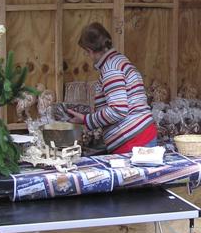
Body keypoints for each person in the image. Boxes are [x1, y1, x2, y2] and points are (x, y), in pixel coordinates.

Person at [66, 22, 157, 154]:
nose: (88, 57)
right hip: (141, 135)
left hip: (133, 140)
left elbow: (118, 110)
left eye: (86, 53)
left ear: (90, 51)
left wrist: (87, 120)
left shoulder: (110, 69)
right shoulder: (119, 60)